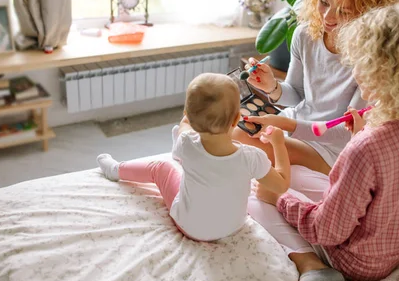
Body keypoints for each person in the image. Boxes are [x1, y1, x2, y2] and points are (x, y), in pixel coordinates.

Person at [248, 3, 399, 281]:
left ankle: (313, 268)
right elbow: (391, 183)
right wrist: (357, 135)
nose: (353, 68)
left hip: (357, 261)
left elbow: (326, 231)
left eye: (358, 61)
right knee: (288, 172)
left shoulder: (367, 148)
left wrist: (280, 197)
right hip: (395, 245)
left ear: (379, 69)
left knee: (257, 192)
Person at [234, 0, 399, 175]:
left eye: (344, 11)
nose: (328, 17)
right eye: (324, 2)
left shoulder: (371, 59)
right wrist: (271, 87)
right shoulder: (305, 35)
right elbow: (297, 94)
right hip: (297, 124)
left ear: (368, 14)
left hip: (331, 147)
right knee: (225, 123)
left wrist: (285, 126)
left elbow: (345, 131)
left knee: (237, 140)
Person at [97, 73, 291, 242]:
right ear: (236, 119)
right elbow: (281, 185)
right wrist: (278, 143)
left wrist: (188, 122)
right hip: (234, 226)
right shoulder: (252, 157)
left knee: (161, 167)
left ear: (186, 114)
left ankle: (117, 170)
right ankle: (183, 158)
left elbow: (184, 127)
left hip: (191, 228)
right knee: (184, 149)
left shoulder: (186, 142)